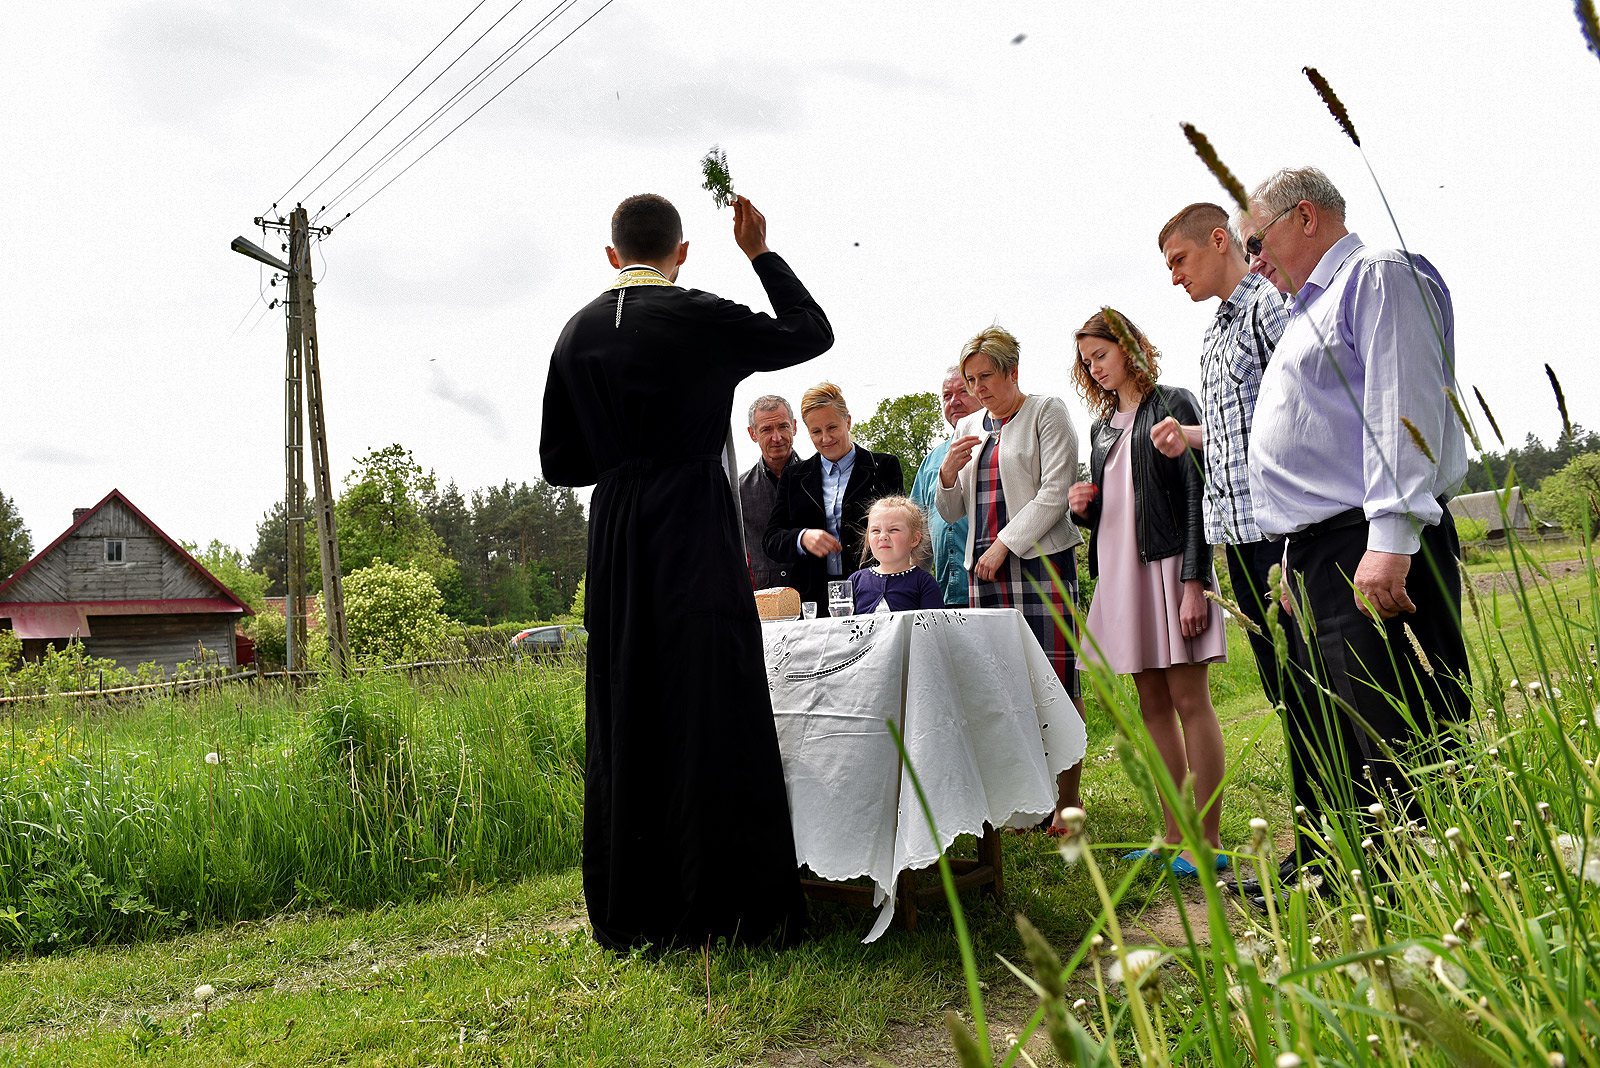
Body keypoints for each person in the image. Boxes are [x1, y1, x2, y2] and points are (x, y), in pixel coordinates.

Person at [540, 192, 832, 951]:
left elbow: (558, 463)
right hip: (693, 519)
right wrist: (761, 252)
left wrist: (621, 446)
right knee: (710, 691)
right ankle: (728, 906)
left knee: (628, 694)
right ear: (682, 250)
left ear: (613, 256)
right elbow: (811, 332)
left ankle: (635, 908)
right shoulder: (697, 314)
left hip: (619, 529)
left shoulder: (574, 334)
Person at [1242, 167, 1469, 874]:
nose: (1253, 263)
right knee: (1341, 735)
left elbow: (1401, 407)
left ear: (1304, 217)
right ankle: (1367, 887)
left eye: (1256, 242)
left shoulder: (1378, 275)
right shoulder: (1308, 307)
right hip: (1320, 552)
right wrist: (1287, 554)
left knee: (1399, 732)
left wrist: (1392, 538)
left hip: (1367, 543)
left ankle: (1435, 898)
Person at [1151, 202, 1318, 875]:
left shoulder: (1266, 309)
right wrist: (1191, 437)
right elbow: (1245, 427)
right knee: (1283, 689)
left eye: (1179, 261)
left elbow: (1306, 408)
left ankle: (1330, 843)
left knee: (1310, 686)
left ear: (1219, 241)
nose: (1174, 277)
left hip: (1282, 531)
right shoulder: (1215, 334)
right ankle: (1316, 841)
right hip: (1237, 539)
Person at [1069, 310, 1228, 875]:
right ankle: (1172, 834)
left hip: (1170, 569)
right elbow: (1119, 511)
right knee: (1153, 704)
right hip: (1121, 573)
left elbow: (1196, 495)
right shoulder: (1101, 428)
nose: (1096, 368)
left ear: (1129, 345)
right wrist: (1083, 510)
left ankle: (1205, 843)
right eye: (1088, 362)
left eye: (1102, 355)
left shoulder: (1175, 403)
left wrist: (1194, 582)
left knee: (1190, 701)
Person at [934, 326, 1088, 828]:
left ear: (1013, 371)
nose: (977, 388)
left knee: (1056, 682)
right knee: (1004, 687)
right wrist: (948, 475)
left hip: (1039, 563)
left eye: (986, 376)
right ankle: (1026, 802)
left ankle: (1068, 802)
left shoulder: (1047, 411)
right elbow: (953, 511)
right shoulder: (967, 429)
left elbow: (1055, 491)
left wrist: (1004, 546)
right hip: (986, 571)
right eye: (970, 379)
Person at [762, 383, 904, 611]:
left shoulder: (884, 467)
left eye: (832, 427)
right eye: (816, 432)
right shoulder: (793, 476)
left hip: (875, 594)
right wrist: (802, 538)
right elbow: (771, 540)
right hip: (811, 602)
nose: (825, 438)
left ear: (847, 421)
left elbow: (901, 531)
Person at [911, 366, 984, 606]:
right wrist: (911, 591)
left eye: (963, 392)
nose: (954, 402)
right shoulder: (931, 461)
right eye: (946, 395)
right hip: (945, 596)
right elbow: (918, 534)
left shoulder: (999, 447)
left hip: (993, 589)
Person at [739, 395, 801, 590]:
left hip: (812, 600)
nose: (777, 437)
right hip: (760, 604)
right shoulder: (737, 491)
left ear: (794, 426)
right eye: (766, 429)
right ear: (752, 434)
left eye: (783, 426)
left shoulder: (820, 480)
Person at [849, 495, 945, 613]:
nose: (883, 536)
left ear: (914, 539)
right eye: (875, 531)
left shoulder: (924, 582)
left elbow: (934, 627)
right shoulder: (855, 581)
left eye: (893, 530)